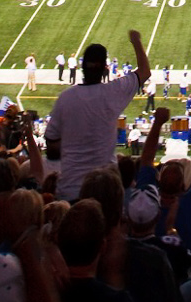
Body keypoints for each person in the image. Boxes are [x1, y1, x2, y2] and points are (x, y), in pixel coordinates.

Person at [47, 28, 152, 200]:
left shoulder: (65, 98)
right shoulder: (113, 92)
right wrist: (136, 41)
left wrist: (74, 146)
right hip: (104, 191)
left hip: (71, 190)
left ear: (82, 67)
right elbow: (144, 72)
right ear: (105, 69)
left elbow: (51, 146)